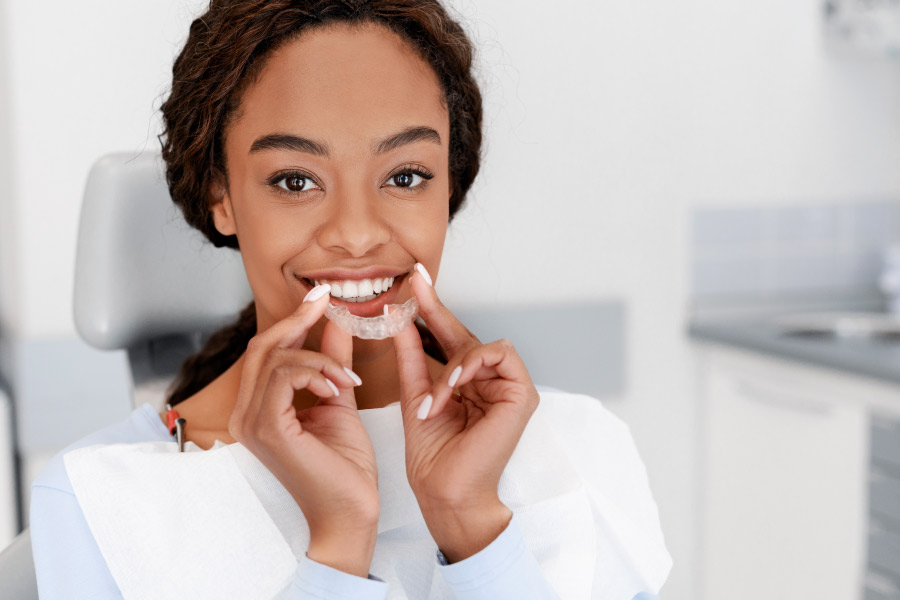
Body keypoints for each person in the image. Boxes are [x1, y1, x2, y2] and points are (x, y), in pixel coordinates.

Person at [29, 1, 672, 598]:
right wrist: (338, 543)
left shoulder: (580, 452)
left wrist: (473, 524)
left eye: (405, 176)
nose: (358, 234)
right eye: (296, 180)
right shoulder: (102, 504)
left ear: (449, 185)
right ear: (221, 195)